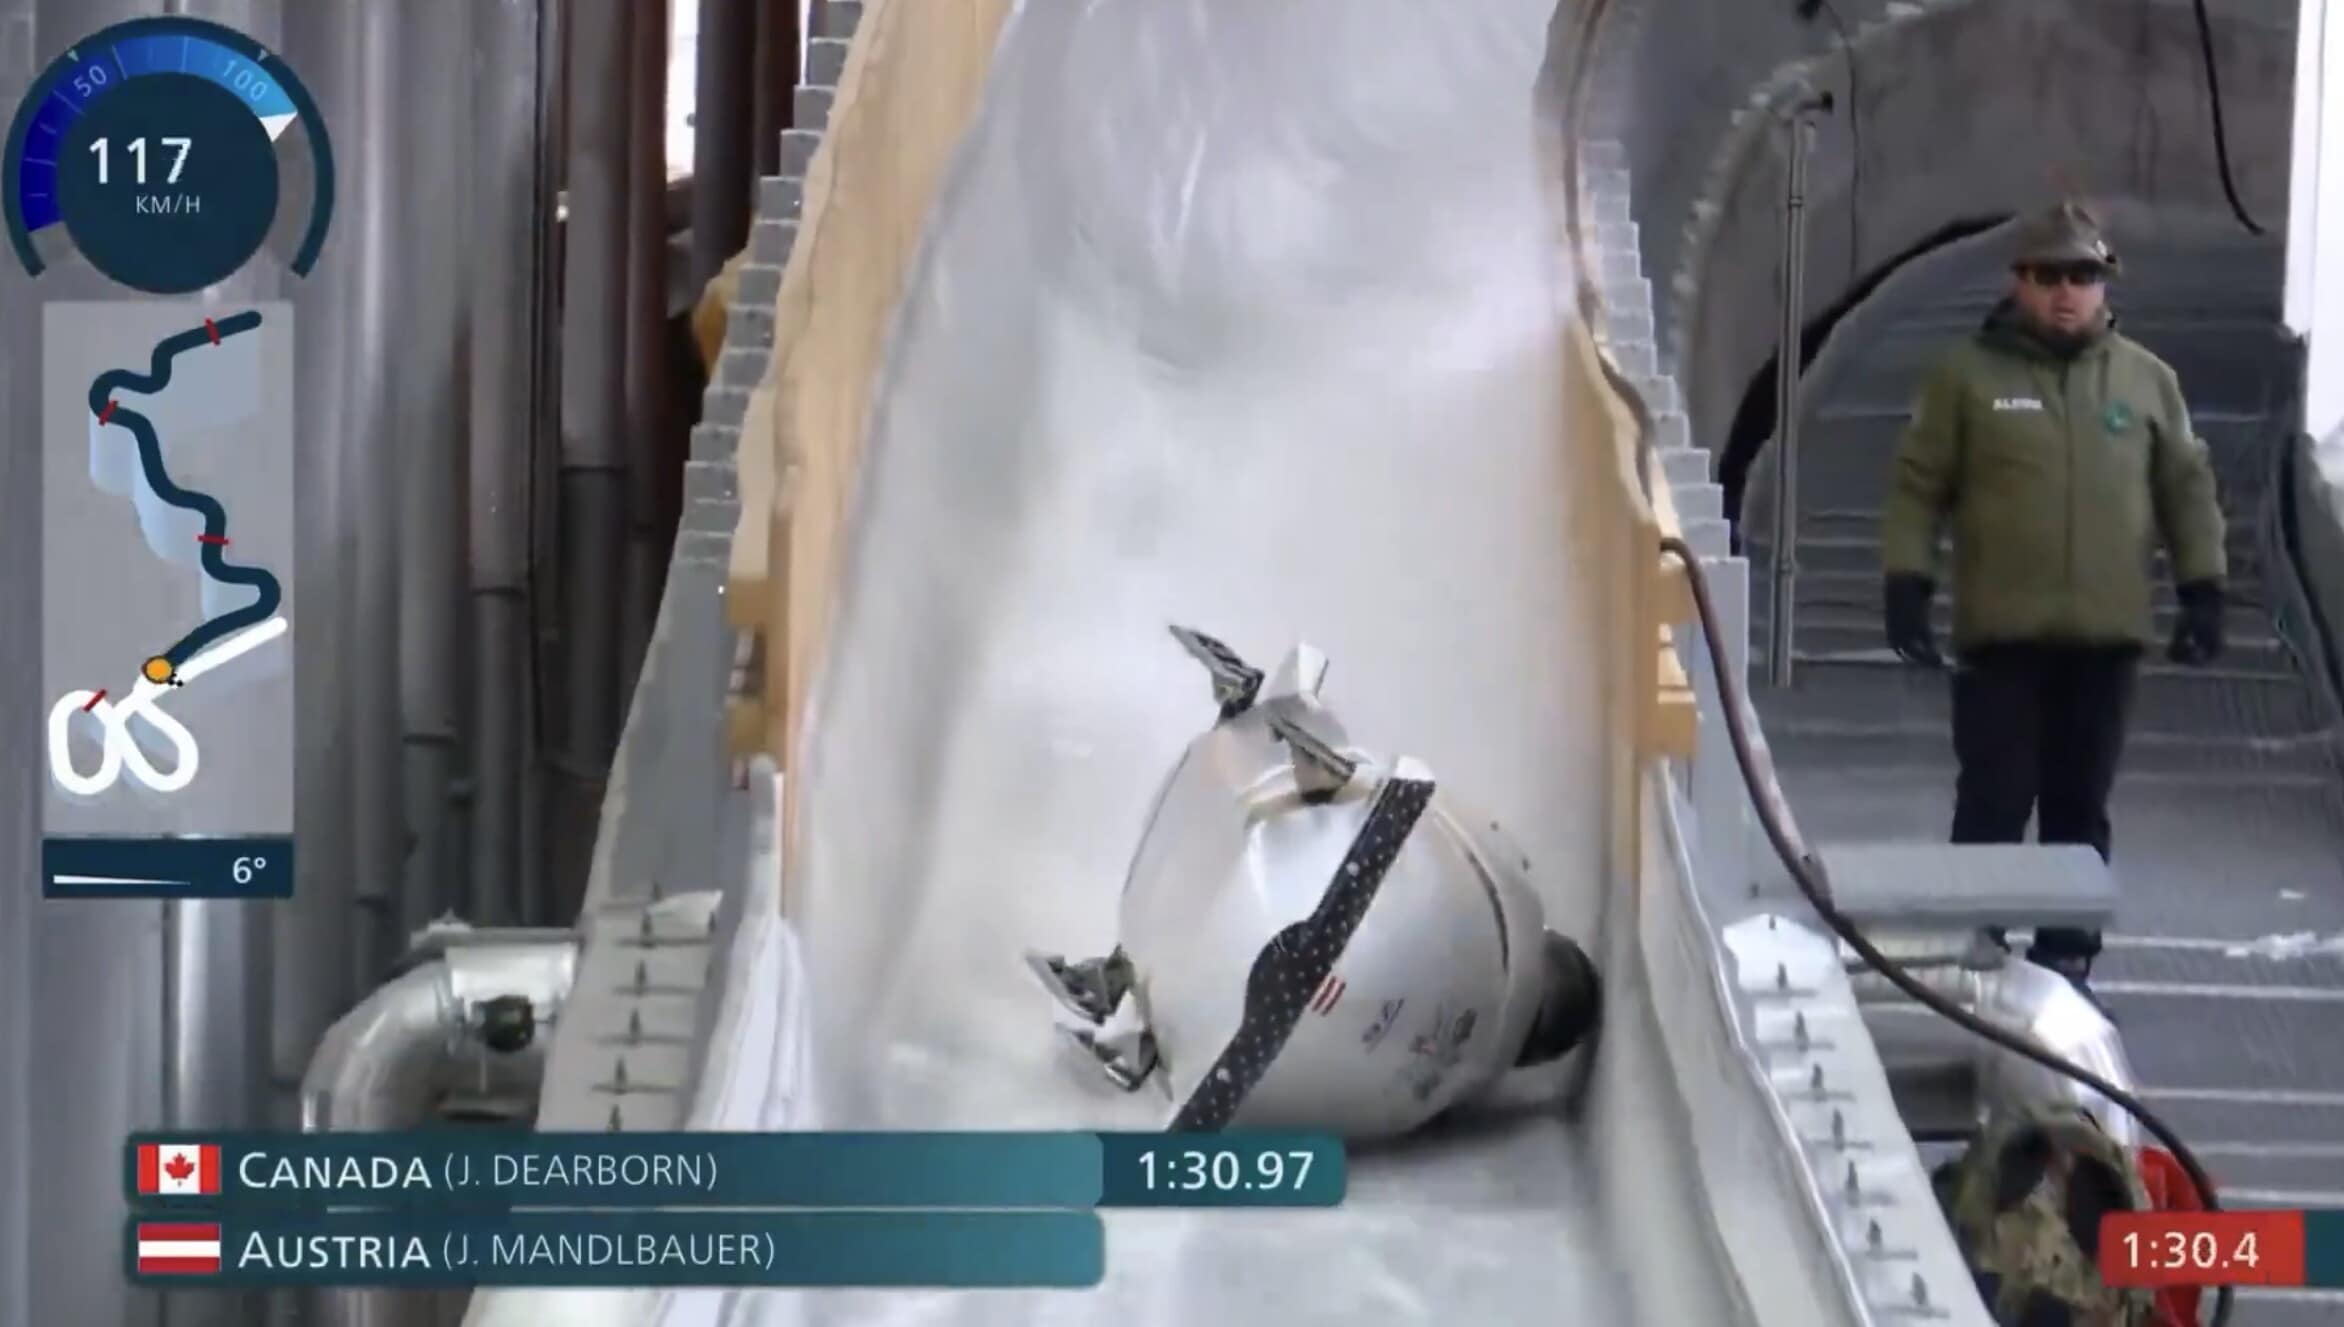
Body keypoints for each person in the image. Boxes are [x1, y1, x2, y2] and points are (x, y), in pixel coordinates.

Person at [1876, 201, 2228, 989]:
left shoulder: (2145, 380)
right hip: (2001, 635)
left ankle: (2068, 960)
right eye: (2049, 275)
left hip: (2105, 637)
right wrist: (1907, 579)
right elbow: (1919, 484)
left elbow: (2185, 487)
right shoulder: (1966, 377)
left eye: (2083, 275)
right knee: (1995, 796)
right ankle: (1973, 950)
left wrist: (2203, 587)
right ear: (2019, 281)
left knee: (2080, 802)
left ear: (2104, 284)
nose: (2067, 291)